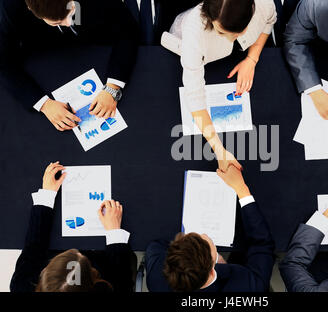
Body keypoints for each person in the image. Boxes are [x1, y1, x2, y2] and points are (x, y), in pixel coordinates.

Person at [161, 0, 277, 171]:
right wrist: (219, 150)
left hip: (236, 56)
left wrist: (252, 59)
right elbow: (195, 98)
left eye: (238, 32)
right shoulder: (194, 31)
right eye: (222, 32)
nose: (230, 38)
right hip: (191, 52)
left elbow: (269, 20)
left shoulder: (263, 4)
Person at [0, 0, 139, 131]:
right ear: (29, 8)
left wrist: (113, 88)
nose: (68, 23)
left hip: (97, 47)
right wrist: (44, 104)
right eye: (57, 22)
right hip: (44, 61)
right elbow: (3, 62)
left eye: (71, 12)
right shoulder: (9, 7)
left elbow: (127, 30)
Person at [145, 165, 275, 292]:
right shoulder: (248, 287)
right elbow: (262, 244)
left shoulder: (157, 279)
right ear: (213, 271)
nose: (202, 234)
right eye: (209, 245)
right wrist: (241, 189)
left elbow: (155, 247)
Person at [10, 162, 135, 292]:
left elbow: (33, 248)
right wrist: (114, 232)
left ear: (44, 273)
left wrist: (47, 194)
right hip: (105, 260)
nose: (76, 251)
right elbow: (122, 280)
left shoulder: (22, 285)